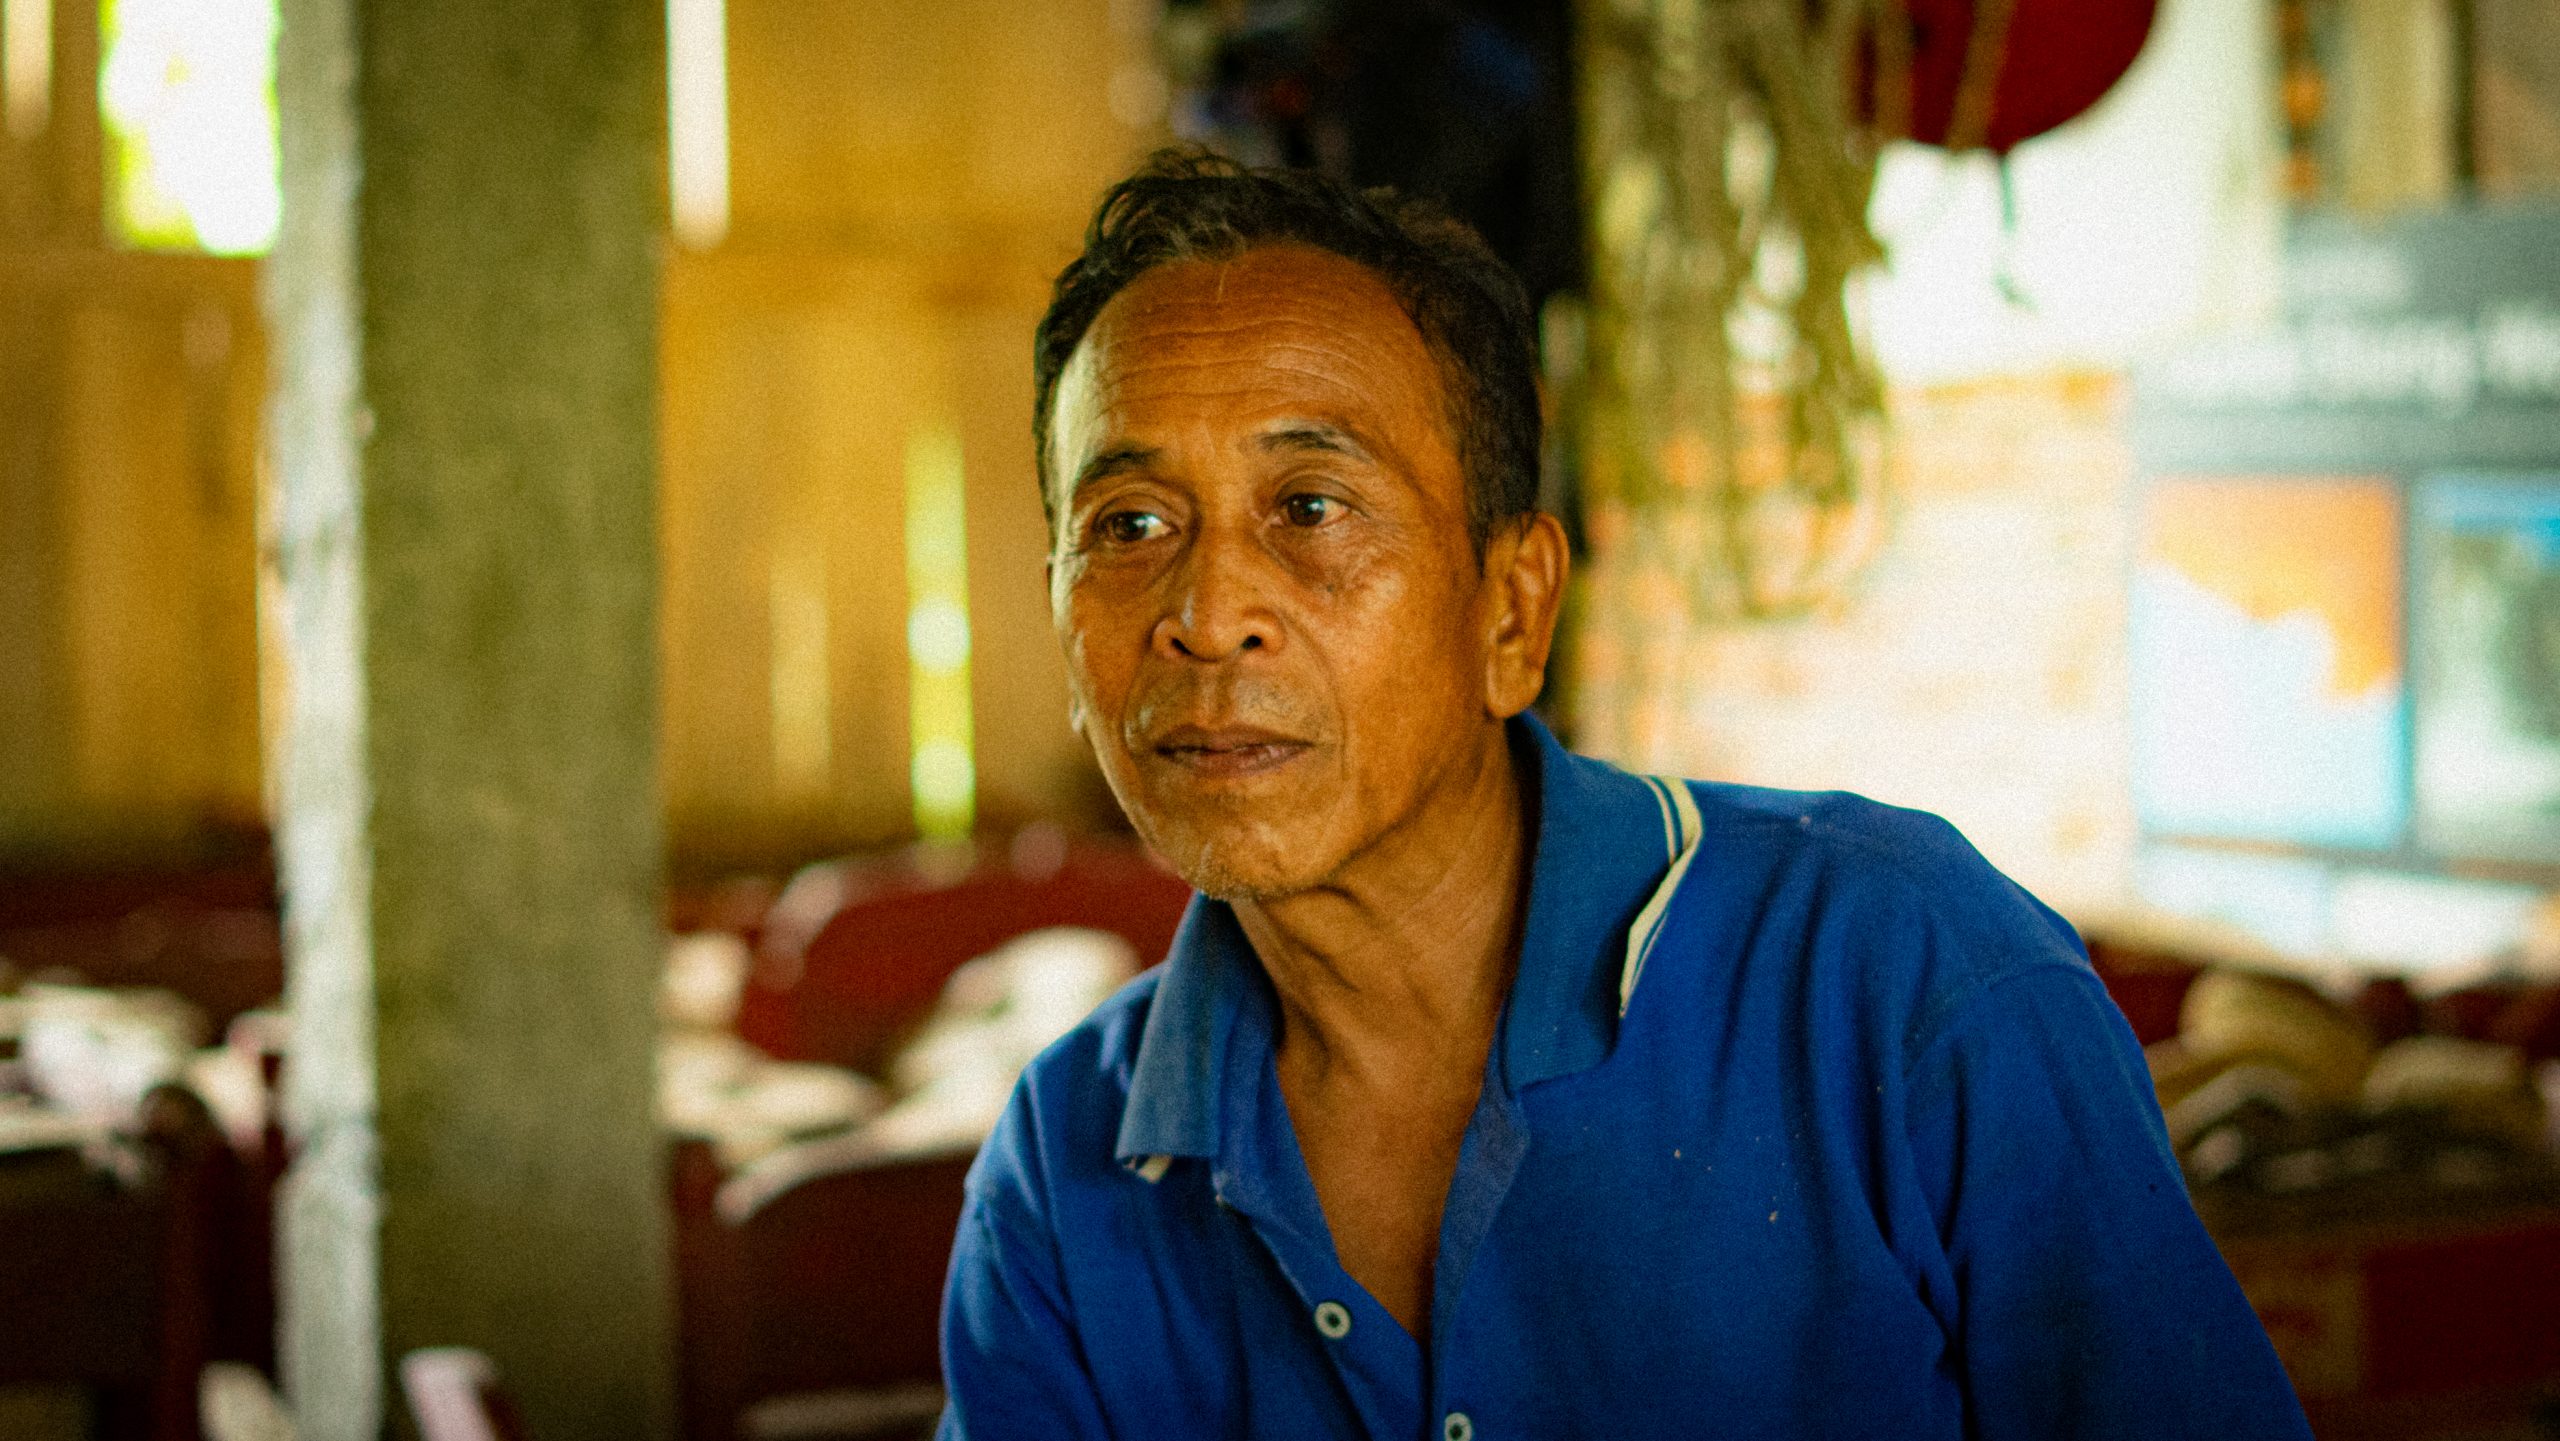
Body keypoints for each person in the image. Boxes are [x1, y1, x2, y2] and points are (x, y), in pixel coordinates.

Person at [938, 150, 2311, 1441]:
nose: (1205, 612)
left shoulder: (1898, 975)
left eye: (1311, 507)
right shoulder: (1067, 1170)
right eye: (1129, 525)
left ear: (1513, 611)